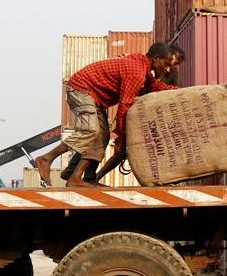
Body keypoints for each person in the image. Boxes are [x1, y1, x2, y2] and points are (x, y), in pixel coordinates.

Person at [35, 42, 181, 187]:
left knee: (102, 137)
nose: (168, 69)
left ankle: (79, 177)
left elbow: (155, 86)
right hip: (81, 89)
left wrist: (179, 92)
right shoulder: (136, 71)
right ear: (156, 59)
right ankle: (46, 159)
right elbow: (124, 106)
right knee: (90, 130)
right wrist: (120, 138)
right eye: (166, 63)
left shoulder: (142, 66)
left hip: (95, 98)